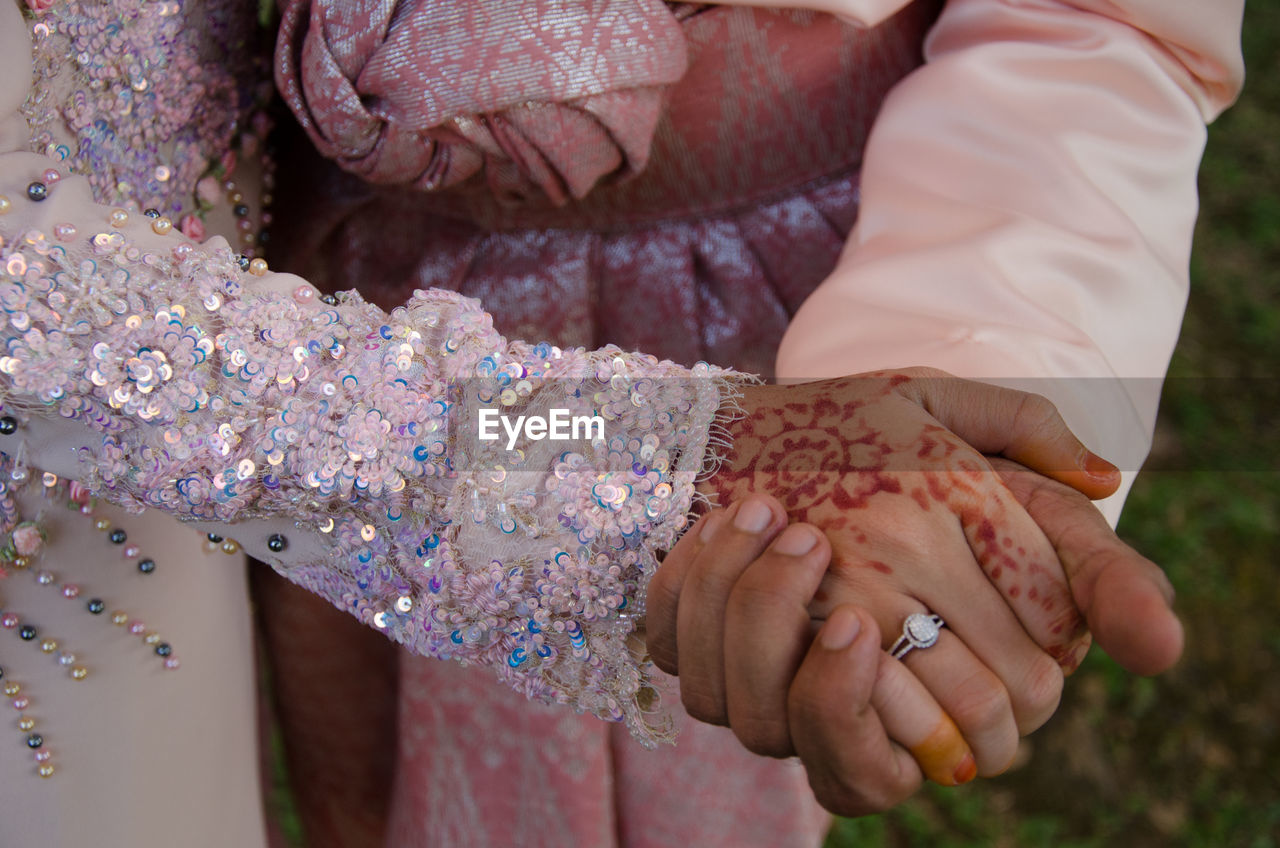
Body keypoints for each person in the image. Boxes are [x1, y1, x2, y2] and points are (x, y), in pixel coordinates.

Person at [0, 2, 1238, 847]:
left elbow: (1094, 36)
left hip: (777, 336)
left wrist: (929, 443)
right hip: (202, 437)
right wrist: (666, 461)